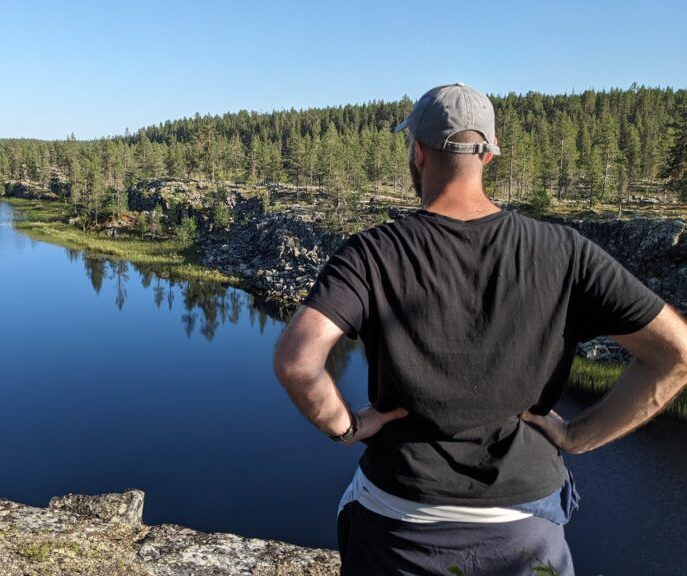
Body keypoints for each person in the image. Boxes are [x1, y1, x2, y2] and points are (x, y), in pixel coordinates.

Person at [272, 83, 687, 575]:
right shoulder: (565, 251)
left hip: (402, 518)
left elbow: (298, 362)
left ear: (418, 152)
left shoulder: (373, 252)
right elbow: (675, 355)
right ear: (489, 155)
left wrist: (349, 427)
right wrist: (577, 436)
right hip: (524, 522)